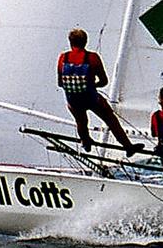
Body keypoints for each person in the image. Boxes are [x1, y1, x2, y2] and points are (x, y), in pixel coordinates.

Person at [57, 28, 142, 156]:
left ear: (70, 42)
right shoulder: (92, 58)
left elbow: (60, 83)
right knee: (110, 119)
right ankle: (128, 146)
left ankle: (85, 142)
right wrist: (92, 85)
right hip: (90, 98)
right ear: (86, 42)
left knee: (81, 121)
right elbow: (104, 81)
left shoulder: (63, 58)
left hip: (73, 99)